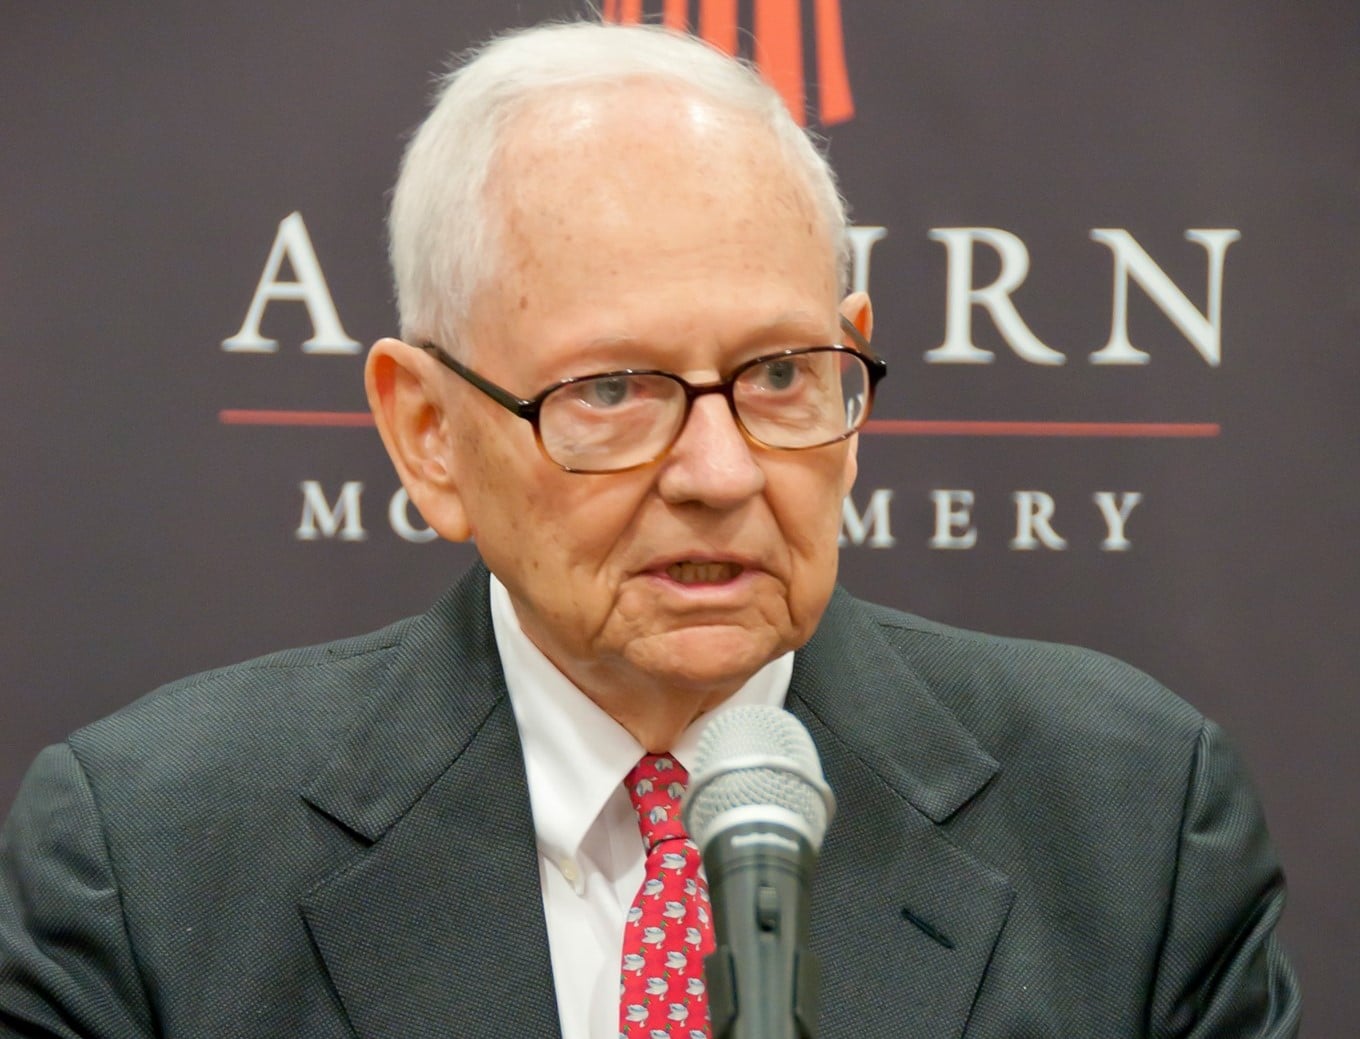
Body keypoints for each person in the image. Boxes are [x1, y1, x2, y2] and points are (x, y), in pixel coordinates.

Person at [0, 20, 1298, 1039]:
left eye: (782, 376)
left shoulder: (1131, 826)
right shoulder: (152, 861)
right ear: (428, 434)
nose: (722, 472)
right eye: (613, 391)